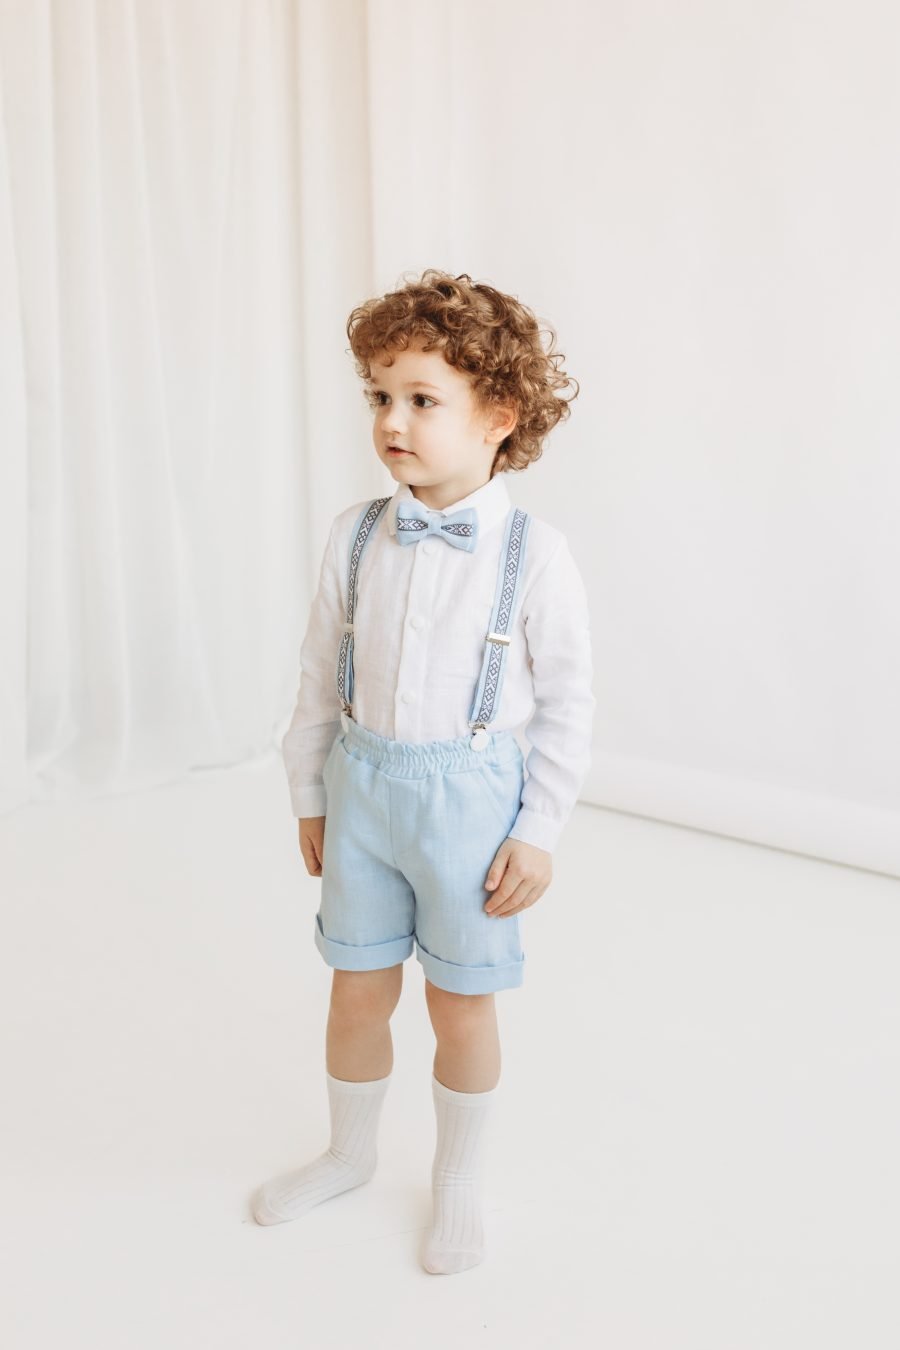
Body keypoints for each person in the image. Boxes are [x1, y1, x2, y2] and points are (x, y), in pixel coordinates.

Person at [251, 269, 595, 1275]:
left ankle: (459, 1182)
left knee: (460, 1004)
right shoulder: (356, 535)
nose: (392, 420)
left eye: (421, 399)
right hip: (362, 794)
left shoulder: (536, 555)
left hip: (472, 812)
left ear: (500, 415)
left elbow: (571, 705)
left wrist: (539, 830)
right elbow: (319, 675)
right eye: (379, 397)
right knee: (354, 993)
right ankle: (348, 1153)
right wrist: (310, 793)